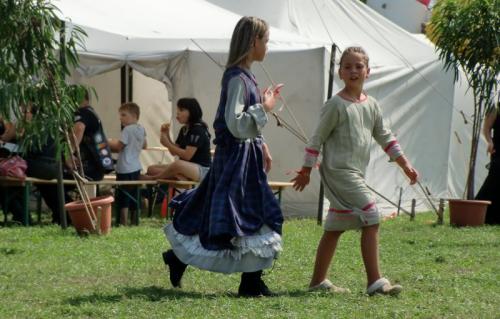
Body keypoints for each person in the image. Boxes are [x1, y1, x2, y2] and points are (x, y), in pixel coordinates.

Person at [161, 16, 284, 297]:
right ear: (253, 42)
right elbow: (235, 123)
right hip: (234, 161)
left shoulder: (248, 76)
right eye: (265, 40)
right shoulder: (237, 78)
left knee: (245, 212)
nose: (267, 46)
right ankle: (247, 282)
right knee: (243, 214)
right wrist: (265, 107)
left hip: (245, 157)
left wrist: (261, 142)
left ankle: (247, 280)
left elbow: (246, 126)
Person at [292, 47, 419, 296]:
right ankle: (375, 282)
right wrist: (306, 170)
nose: (353, 71)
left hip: (356, 173)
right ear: (339, 72)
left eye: (358, 66)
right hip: (339, 172)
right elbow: (316, 139)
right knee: (371, 214)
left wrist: (405, 164)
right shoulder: (335, 105)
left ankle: (317, 283)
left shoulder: (371, 105)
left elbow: (385, 136)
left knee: (335, 225)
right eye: (347, 66)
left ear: (368, 72)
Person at [144, 98, 211, 182]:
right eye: (177, 110)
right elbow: (173, 152)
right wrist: (166, 135)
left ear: (192, 111)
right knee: (151, 169)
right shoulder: (184, 129)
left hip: (201, 169)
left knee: (177, 164)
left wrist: (167, 144)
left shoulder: (198, 129)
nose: (177, 113)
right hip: (185, 168)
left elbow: (187, 155)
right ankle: (180, 176)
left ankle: (154, 178)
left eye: (181, 110)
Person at [108, 102, 147, 225]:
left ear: (134, 115)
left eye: (124, 115)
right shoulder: (141, 128)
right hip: (136, 166)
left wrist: (106, 143)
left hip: (124, 168)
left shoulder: (127, 129)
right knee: (135, 193)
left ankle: (123, 221)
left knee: (123, 195)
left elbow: (119, 146)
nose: (121, 118)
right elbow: (145, 145)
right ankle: (135, 220)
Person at [69, 90, 108, 181]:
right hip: (97, 166)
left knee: (51, 180)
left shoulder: (83, 113)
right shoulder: (91, 113)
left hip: (86, 167)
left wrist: (68, 154)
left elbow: (78, 129)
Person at [475, 106, 499, 224]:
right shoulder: (495, 107)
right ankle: (479, 213)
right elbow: (486, 128)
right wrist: (489, 141)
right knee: (493, 181)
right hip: (498, 150)